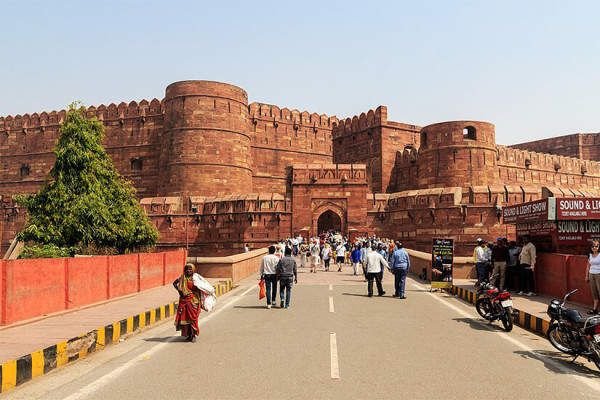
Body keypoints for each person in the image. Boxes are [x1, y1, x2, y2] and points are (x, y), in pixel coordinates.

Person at [173, 263, 203, 342]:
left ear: (193, 270)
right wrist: (180, 291)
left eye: (190, 269)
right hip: (184, 300)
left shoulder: (196, 278)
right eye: (187, 269)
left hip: (194, 300)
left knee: (193, 318)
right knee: (185, 318)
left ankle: (193, 335)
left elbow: (202, 287)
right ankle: (188, 335)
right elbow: (174, 283)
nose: (188, 270)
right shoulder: (182, 277)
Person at [586, 241, 600, 314]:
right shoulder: (590, 255)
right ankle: (595, 309)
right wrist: (587, 275)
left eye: (596, 246)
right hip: (591, 274)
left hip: (599, 274)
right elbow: (588, 265)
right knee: (594, 292)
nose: (594, 248)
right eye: (592, 246)